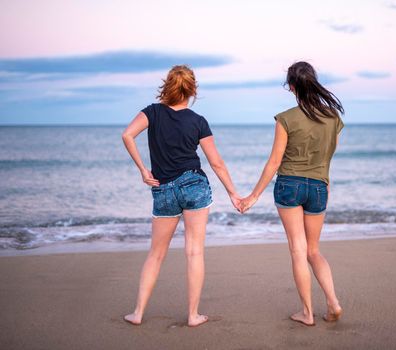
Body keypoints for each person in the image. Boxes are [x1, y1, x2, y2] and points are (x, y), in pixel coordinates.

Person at [121, 65, 241, 327]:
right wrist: (233, 193)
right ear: (192, 89)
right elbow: (216, 162)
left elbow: (127, 135)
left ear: (168, 85)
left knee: (156, 254)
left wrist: (143, 170)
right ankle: (193, 315)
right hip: (193, 184)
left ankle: (138, 313)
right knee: (194, 252)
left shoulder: (152, 112)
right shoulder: (198, 120)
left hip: (163, 188)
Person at [240, 61, 344, 326]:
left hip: (290, 185)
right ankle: (333, 302)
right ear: (314, 81)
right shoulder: (333, 118)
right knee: (313, 251)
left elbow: (274, 162)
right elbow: (328, 155)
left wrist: (253, 196)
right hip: (319, 186)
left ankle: (307, 314)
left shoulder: (286, 118)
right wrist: (325, 183)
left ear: (292, 86)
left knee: (298, 251)